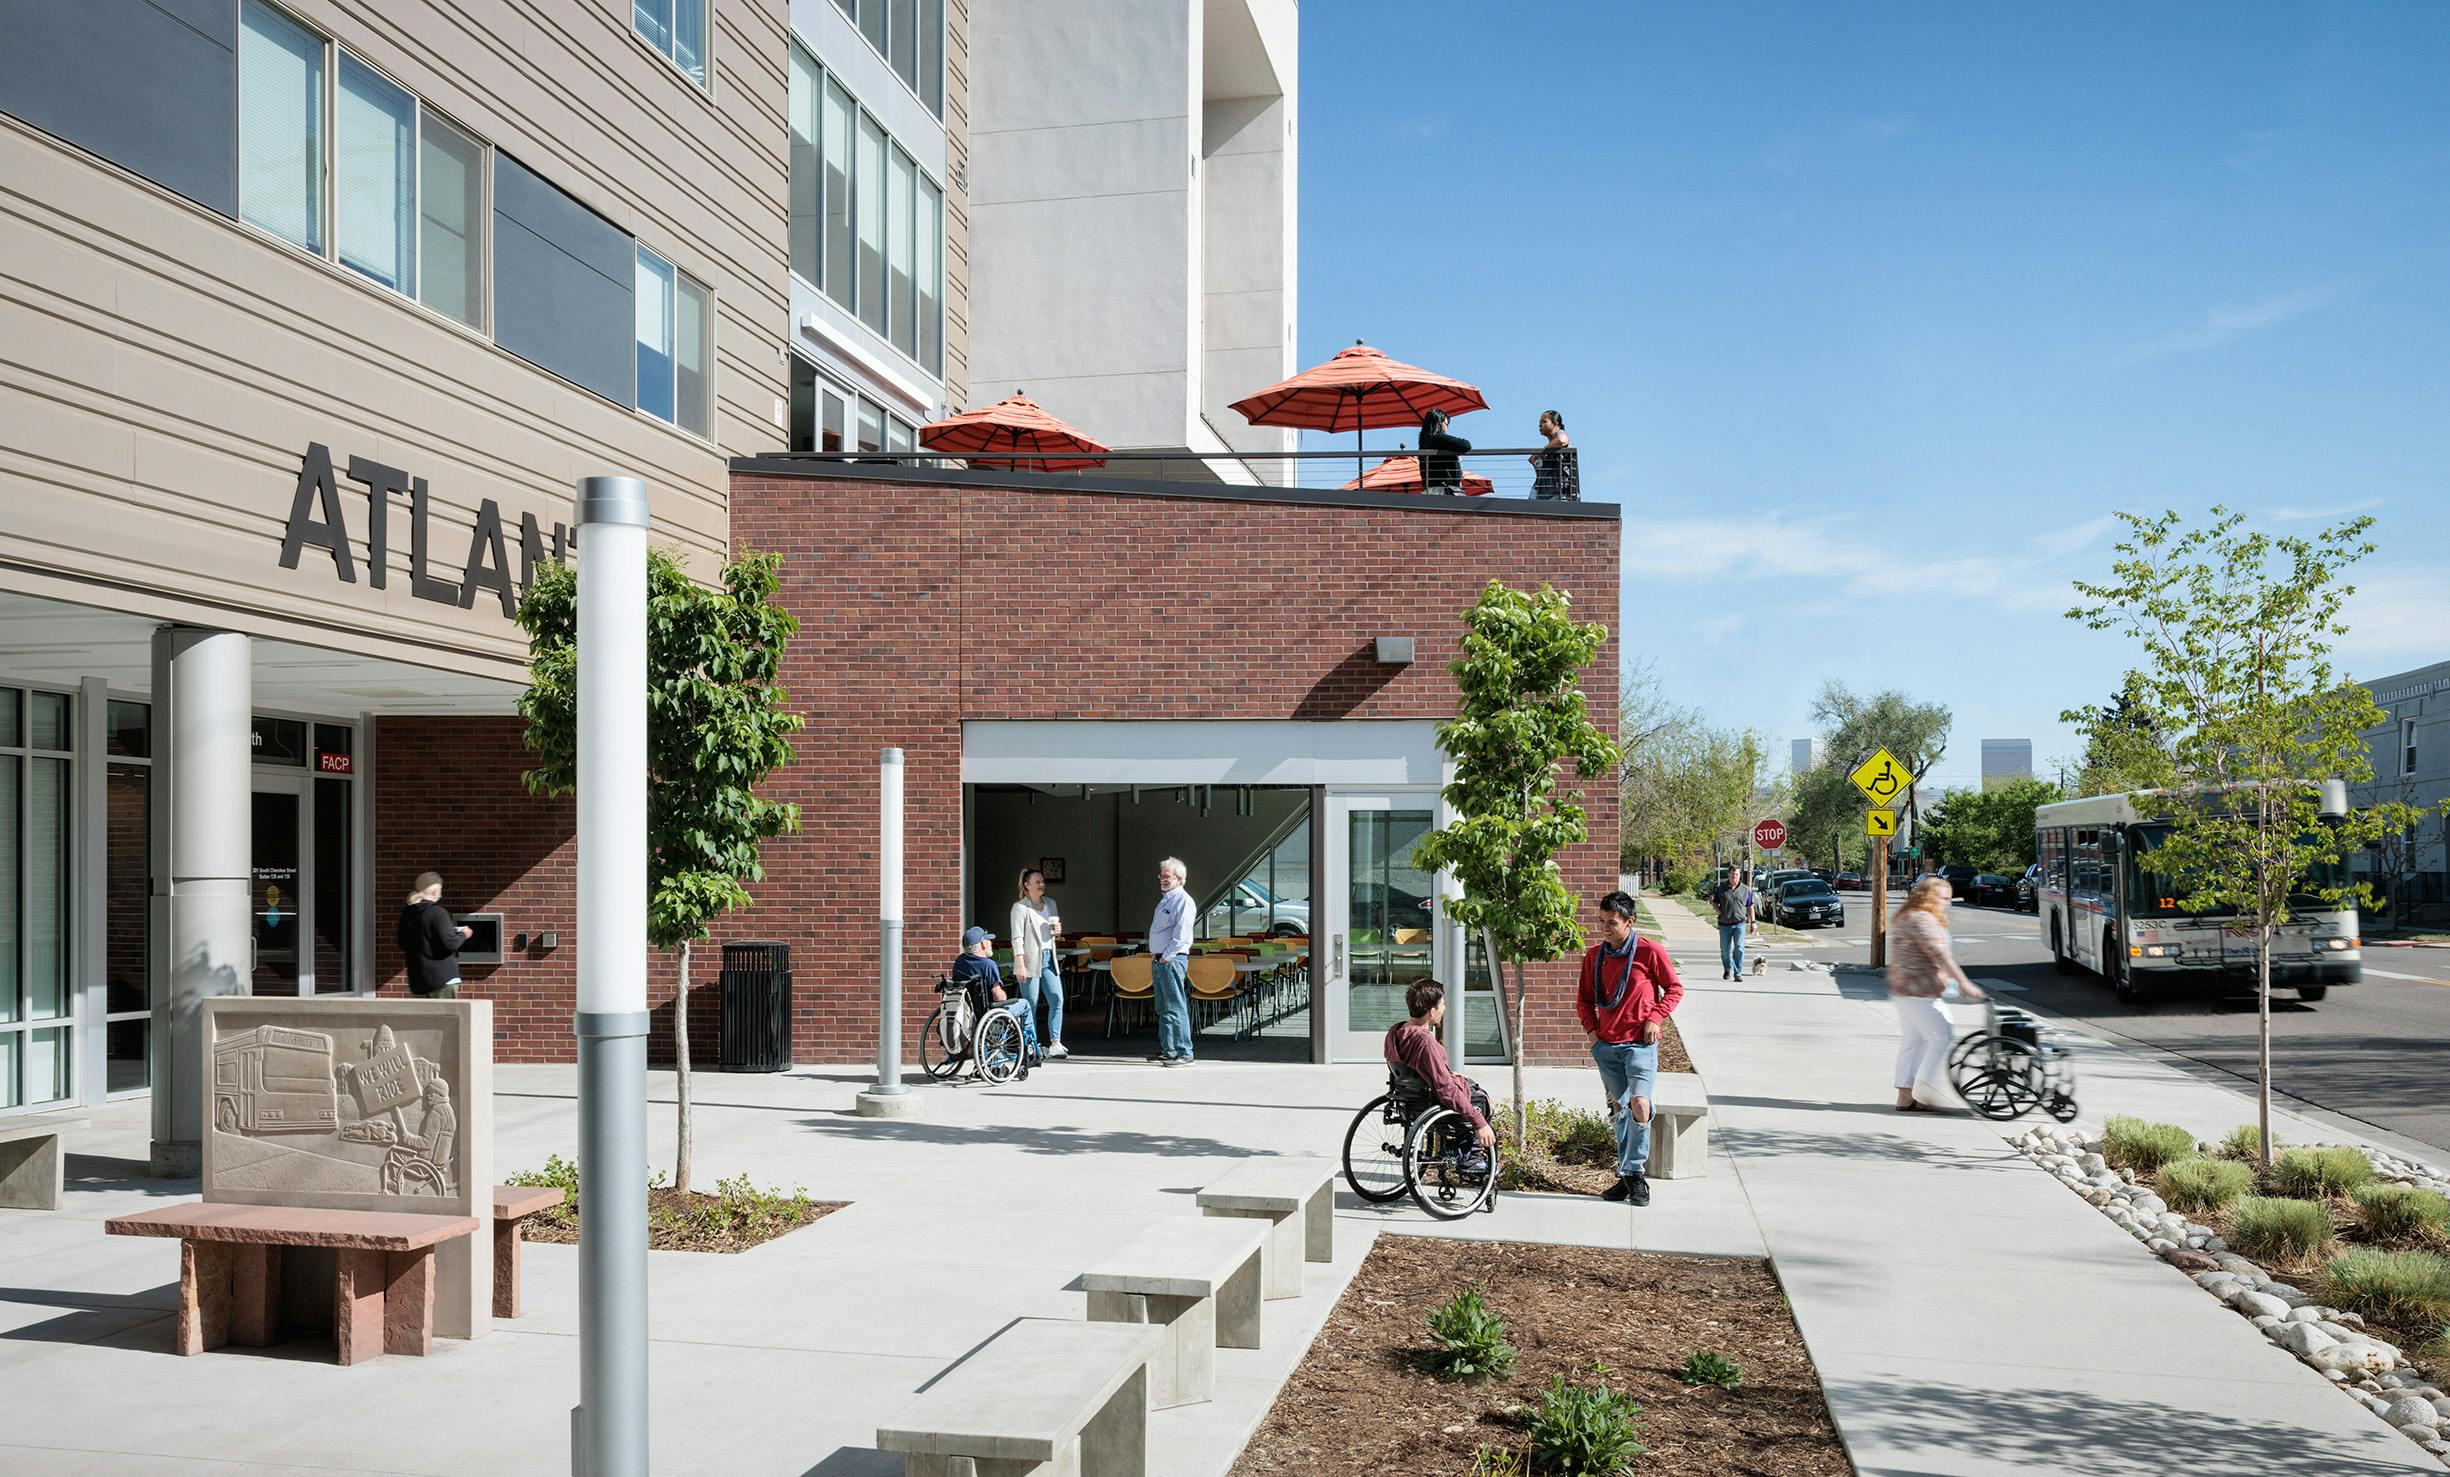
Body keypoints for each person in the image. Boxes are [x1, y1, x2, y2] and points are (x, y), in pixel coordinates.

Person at [1577, 890, 1683, 1205]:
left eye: (1611, 922)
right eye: (1601, 921)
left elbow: (1674, 988)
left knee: (1639, 1104)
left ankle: (1635, 1175)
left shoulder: (1649, 952)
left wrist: (1655, 1016)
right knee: (1618, 1110)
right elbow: (1584, 999)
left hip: (1639, 1045)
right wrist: (1592, 1032)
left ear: (1630, 921)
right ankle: (1626, 1175)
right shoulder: (1594, 956)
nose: (1605, 928)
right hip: (1606, 1046)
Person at [1889, 877, 1984, 1111]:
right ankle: (1927, 1092)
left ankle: (1905, 1095)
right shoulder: (1922, 919)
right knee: (1942, 1036)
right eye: (1944, 898)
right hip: (1920, 990)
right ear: (1929, 897)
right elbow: (1940, 955)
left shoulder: (1910, 916)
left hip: (1905, 989)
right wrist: (1964, 983)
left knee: (1914, 1041)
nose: (1948, 903)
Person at [1383, 980, 1495, 1169]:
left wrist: (1449, 1074)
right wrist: (1479, 1123)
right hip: (1431, 1100)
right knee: (1481, 1100)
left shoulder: (1396, 1032)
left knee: (1467, 1083)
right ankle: (1472, 1156)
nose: (1445, 1008)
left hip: (1409, 1097)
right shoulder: (1424, 1042)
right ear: (1431, 1012)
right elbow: (1445, 1088)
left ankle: (1458, 1148)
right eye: (1442, 1004)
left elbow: (1420, 1069)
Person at [951, 925, 1040, 1071]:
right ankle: (1031, 1048)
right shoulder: (988, 965)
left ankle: (993, 1055)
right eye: (988, 940)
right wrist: (1005, 996)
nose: (991, 943)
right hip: (987, 1012)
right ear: (983, 944)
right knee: (1024, 1004)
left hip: (968, 1012)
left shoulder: (960, 962)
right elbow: (998, 996)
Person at [1010, 867, 1069, 1060]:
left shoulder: (1050, 903)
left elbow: (1053, 933)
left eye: (1043, 882)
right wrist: (1019, 963)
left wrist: (1058, 931)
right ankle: (1030, 1045)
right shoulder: (1020, 908)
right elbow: (1017, 938)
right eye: (1038, 882)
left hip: (1048, 958)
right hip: (1029, 960)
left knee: (1057, 999)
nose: (1042, 885)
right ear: (1027, 886)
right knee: (1030, 1004)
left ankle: (1055, 1043)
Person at [1147, 857, 1196, 1065]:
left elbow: (1182, 936)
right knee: (1163, 1007)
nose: (1162, 879)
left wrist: (1165, 957)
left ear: (1179, 879)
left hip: (1171, 960)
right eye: (1161, 876)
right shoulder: (1165, 900)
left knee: (1175, 1006)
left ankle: (1185, 1053)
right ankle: (1169, 1049)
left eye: (1167, 876)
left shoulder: (1183, 901)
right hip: (1160, 961)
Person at [397, 872, 471, 999]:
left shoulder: (408, 914)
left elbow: (402, 943)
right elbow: (450, 943)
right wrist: (464, 935)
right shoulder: (437, 913)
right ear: (435, 892)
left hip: (418, 979)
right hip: (442, 978)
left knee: (423, 1019)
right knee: (446, 1018)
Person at [1708, 865, 1755, 980]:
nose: (1734, 877)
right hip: (1724, 924)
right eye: (1732, 874)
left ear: (1739, 876)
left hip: (1739, 923)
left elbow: (1750, 906)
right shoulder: (1721, 888)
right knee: (1725, 950)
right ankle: (1728, 968)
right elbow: (1714, 903)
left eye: (1737, 875)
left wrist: (1753, 922)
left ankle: (1738, 973)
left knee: (1739, 948)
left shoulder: (1745, 890)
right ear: (1728, 875)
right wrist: (1720, 912)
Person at [1417, 408, 1472, 494]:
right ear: (1439, 423)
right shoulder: (1438, 438)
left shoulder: (1424, 442)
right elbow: (1466, 445)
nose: (1446, 428)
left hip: (1431, 489)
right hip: (1444, 490)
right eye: (1446, 424)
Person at [1527, 410, 1577, 500]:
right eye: (1539, 423)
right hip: (1542, 491)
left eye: (1544, 421)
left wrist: (1541, 452)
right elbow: (1541, 474)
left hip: (1557, 493)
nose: (1540, 425)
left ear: (1555, 423)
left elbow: (1562, 440)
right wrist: (1536, 463)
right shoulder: (1548, 448)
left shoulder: (1560, 433)